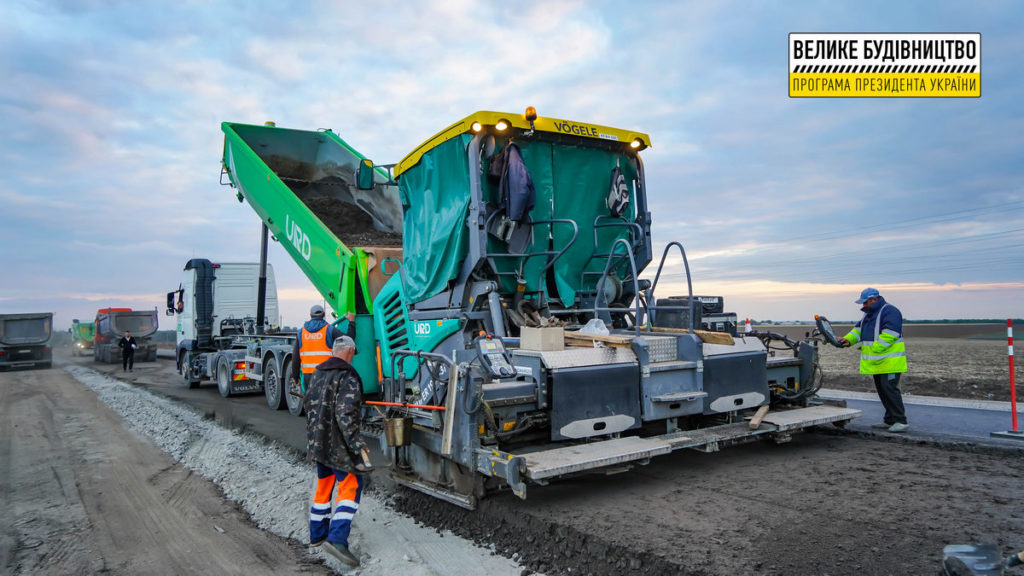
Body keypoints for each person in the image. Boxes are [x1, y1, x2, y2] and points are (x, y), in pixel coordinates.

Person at [304, 335, 370, 567]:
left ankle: (317, 535)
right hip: (337, 446)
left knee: (325, 484)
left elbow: (308, 406)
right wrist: (358, 445)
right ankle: (337, 539)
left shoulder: (317, 373)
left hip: (317, 443)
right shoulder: (347, 376)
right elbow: (345, 414)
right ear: (350, 351)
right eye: (354, 353)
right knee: (352, 485)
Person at [838, 288, 909, 433]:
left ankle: (900, 420)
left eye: (865, 302)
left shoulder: (890, 311)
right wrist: (848, 340)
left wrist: (874, 348)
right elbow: (858, 331)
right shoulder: (868, 315)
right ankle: (890, 420)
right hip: (878, 362)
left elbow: (891, 333)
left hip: (890, 361)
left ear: (873, 299)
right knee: (883, 391)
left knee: (890, 390)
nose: (863, 305)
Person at [292, 305, 355, 389]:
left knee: (310, 401)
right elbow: (348, 341)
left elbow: (295, 357)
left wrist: (296, 376)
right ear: (324, 315)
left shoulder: (301, 332)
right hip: (327, 374)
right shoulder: (329, 330)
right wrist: (351, 322)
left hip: (308, 376)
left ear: (310, 315)